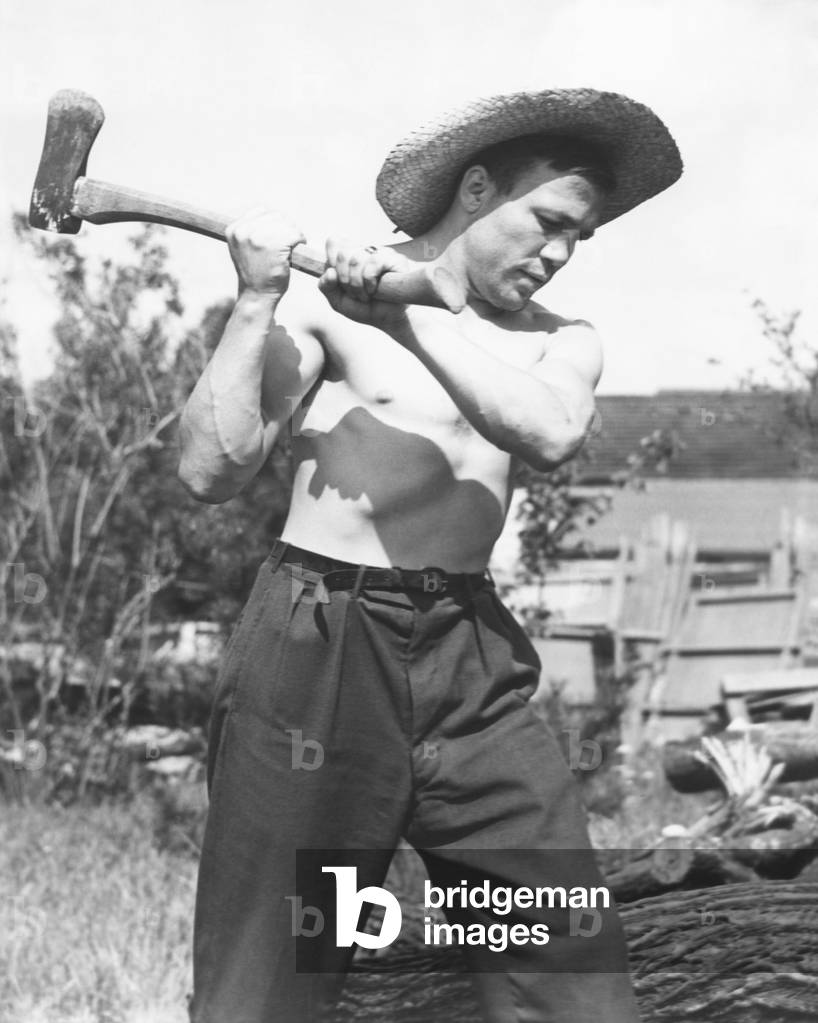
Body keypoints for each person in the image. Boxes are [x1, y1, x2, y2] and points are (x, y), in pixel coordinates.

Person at [179, 87, 682, 1023]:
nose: (560, 254)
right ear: (477, 187)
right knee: (274, 971)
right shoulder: (328, 313)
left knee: (564, 959)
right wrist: (257, 298)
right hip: (318, 650)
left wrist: (411, 315)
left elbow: (551, 433)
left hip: (469, 659)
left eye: (582, 237)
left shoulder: (560, 342)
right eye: (548, 223)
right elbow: (212, 468)